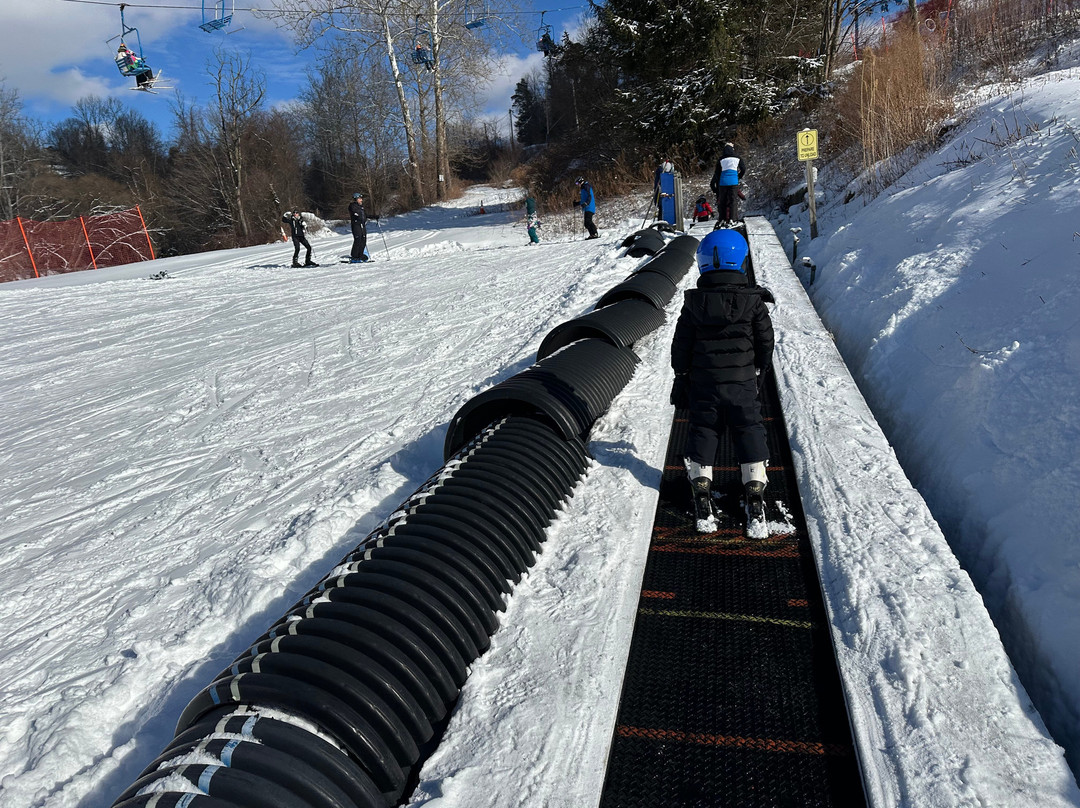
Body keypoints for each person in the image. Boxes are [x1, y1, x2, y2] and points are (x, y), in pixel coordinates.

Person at [669, 228, 774, 536]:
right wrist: (760, 368)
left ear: (703, 262)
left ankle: (701, 487)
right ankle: (754, 488)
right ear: (740, 261)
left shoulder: (694, 304)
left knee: (704, 429)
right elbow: (765, 341)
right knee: (749, 428)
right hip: (742, 381)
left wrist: (681, 375)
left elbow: (681, 345)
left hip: (704, 383)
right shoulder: (754, 302)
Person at [709, 142, 746, 225]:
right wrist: (738, 176)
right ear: (732, 149)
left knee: (722, 201)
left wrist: (719, 182)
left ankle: (722, 219)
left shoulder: (721, 159)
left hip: (723, 183)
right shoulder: (738, 158)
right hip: (733, 182)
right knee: (733, 201)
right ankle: (733, 219)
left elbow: (717, 173)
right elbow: (743, 169)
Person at [347, 193, 378, 262]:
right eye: (360, 199)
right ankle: (354, 256)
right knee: (358, 239)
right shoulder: (352, 206)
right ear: (356, 199)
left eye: (361, 199)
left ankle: (360, 255)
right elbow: (353, 212)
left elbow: (365, 215)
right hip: (356, 225)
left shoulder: (361, 207)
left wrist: (374, 216)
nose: (361, 200)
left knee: (363, 240)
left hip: (362, 225)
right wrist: (356, 216)